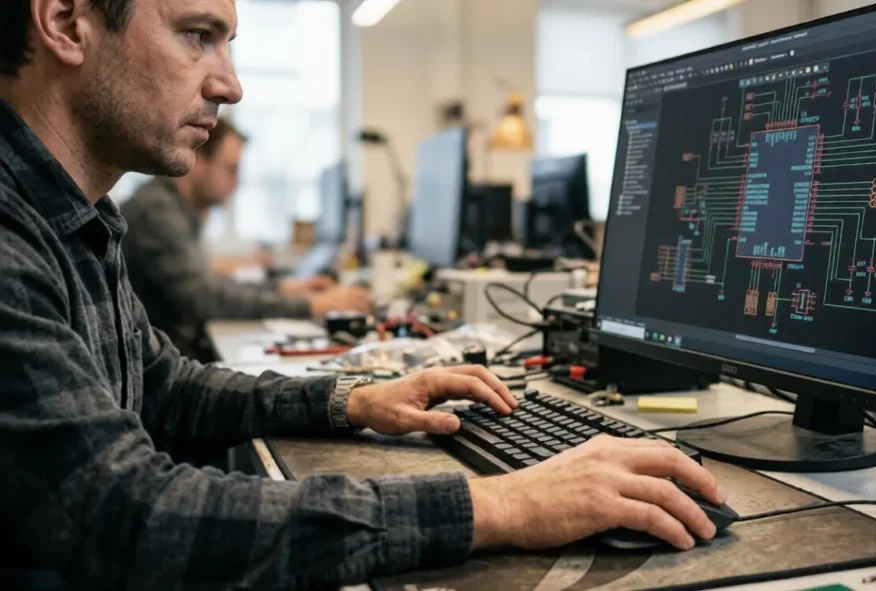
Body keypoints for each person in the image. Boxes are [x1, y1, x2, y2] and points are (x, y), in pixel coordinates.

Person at [0, 0, 727, 589]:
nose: (230, 83)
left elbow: (164, 385)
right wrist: (504, 502)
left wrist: (352, 399)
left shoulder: (78, 219)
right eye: (199, 37)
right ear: (66, 23)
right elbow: (129, 518)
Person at [119, 118, 368, 360]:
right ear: (196, 158)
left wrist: (285, 289)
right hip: (164, 368)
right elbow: (206, 298)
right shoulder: (157, 212)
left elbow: (209, 284)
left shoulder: (174, 208)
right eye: (231, 169)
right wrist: (310, 306)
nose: (237, 183)